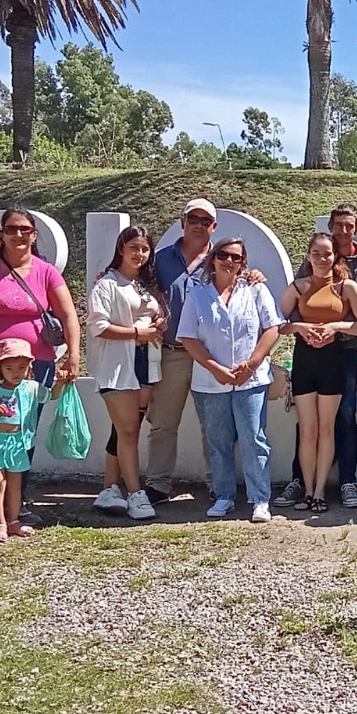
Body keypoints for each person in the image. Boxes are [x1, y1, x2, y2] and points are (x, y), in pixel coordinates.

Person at [0, 206, 81, 526]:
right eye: (12, 229)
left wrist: (73, 354)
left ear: (34, 235)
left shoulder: (45, 271)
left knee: (22, 432)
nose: (18, 235)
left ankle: (16, 502)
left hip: (35, 365)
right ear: (1, 233)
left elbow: (69, 315)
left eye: (25, 229)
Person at [281, 204, 357, 508]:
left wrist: (333, 328)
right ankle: (301, 481)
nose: (343, 230)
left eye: (348, 226)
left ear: (356, 228)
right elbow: (282, 315)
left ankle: (345, 482)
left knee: (344, 419)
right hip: (307, 355)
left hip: (343, 352)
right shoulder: (306, 271)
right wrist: (302, 328)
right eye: (338, 225)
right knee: (307, 425)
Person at [178, 237, 283, 523]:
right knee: (218, 441)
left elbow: (272, 328)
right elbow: (188, 337)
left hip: (251, 380)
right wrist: (215, 369)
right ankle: (223, 496)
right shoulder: (198, 294)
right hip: (210, 382)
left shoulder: (256, 289)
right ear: (213, 258)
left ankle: (260, 499)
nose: (229, 261)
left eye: (236, 257)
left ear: (243, 262)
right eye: (224, 255)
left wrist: (252, 363)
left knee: (254, 439)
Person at [88, 226, 166, 521]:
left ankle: (110, 489)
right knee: (129, 431)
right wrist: (138, 333)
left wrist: (157, 324)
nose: (139, 254)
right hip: (118, 366)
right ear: (121, 248)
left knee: (123, 430)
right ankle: (136, 494)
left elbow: (150, 316)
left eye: (145, 249)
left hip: (146, 362)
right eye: (134, 247)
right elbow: (99, 327)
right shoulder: (107, 285)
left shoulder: (144, 284)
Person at [145, 198, 219, 505]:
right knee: (163, 423)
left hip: (208, 353)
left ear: (214, 227)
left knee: (214, 423)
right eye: (194, 218)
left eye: (206, 220)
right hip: (172, 351)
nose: (199, 225)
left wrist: (253, 276)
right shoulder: (160, 259)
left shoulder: (223, 259)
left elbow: (242, 287)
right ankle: (158, 483)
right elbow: (140, 290)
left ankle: (218, 481)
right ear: (182, 221)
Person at [0, 337, 57, 543]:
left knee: (15, 484)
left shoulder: (32, 387)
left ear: (29, 367)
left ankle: (14, 520)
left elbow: (52, 395)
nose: (15, 373)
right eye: (9, 368)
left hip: (18, 442)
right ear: (0, 367)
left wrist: (62, 381)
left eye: (21, 367)